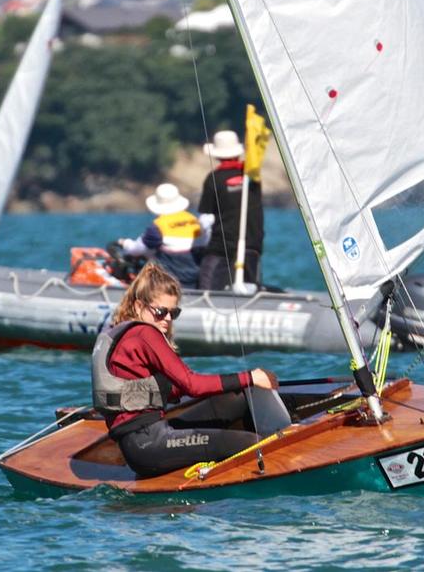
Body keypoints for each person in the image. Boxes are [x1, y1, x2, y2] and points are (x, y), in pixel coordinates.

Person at [92, 263, 288, 478]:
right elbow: (192, 385)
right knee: (254, 444)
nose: (167, 318)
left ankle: (281, 430)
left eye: (173, 313)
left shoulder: (128, 334)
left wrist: (242, 384)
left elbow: (174, 389)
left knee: (236, 398)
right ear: (139, 307)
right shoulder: (144, 334)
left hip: (148, 437)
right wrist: (250, 376)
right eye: (160, 312)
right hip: (146, 444)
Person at [197, 130, 263, 290]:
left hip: (222, 246)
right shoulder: (252, 176)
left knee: (207, 285)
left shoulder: (214, 178)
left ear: (217, 155)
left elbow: (206, 217)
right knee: (250, 286)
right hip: (253, 243)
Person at [119, 183, 203, 289]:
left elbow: (137, 249)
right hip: (195, 275)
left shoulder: (158, 226)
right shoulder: (194, 220)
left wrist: (124, 243)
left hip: (171, 279)